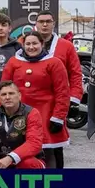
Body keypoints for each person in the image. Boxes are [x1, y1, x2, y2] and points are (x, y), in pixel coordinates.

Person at [1, 32, 70, 168]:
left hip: (47, 114)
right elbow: (3, 88)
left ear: (42, 44)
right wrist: (2, 112)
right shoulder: (14, 62)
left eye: (35, 43)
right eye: (28, 44)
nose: (31, 47)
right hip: (19, 115)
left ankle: (55, 184)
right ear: (23, 45)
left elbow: (62, 92)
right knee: (21, 153)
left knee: (50, 152)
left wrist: (58, 117)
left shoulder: (54, 63)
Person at [33, 10, 83, 167]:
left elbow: (76, 74)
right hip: (32, 102)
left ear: (53, 23)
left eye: (48, 21)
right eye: (41, 21)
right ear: (36, 24)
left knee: (55, 143)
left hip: (56, 103)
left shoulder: (66, 46)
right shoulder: (28, 43)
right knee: (31, 142)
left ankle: (58, 181)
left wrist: (73, 99)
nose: (45, 24)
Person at [0, 81, 46, 169]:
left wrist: (11, 157)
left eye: (11, 93)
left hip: (31, 161)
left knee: (26, 163)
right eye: (4, 94)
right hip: (3, 162)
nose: (7, 97)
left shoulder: (32, 113)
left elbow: (34, 143)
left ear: (19, 96)